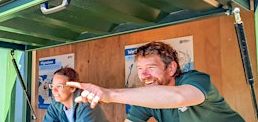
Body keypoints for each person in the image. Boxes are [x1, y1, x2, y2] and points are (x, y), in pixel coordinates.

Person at [67, 41, 245, 122]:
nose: (144, 75)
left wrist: (110, 94)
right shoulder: (146, 98)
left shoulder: (196, 80)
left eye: (151, 68)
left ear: (172, 68)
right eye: (139, 69)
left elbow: (178, 97)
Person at [43, 67, 108, 122]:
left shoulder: (86, 103)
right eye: (52, 86)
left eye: (59, 86)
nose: (54, 90)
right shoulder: (55, 104)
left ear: (73, 88)